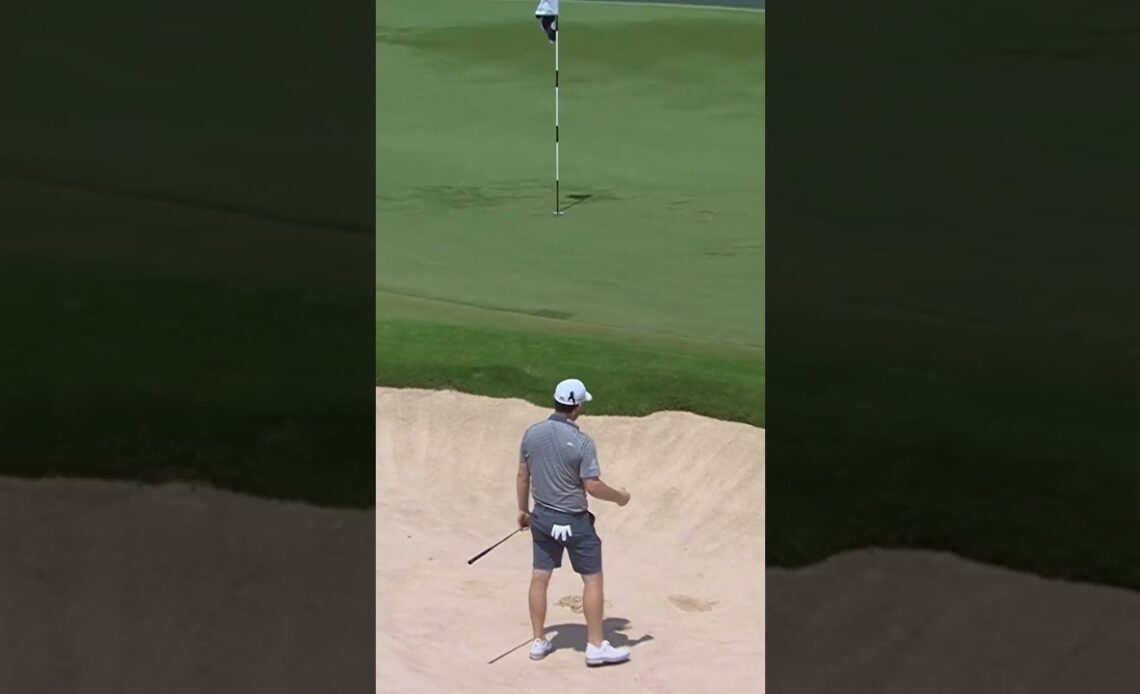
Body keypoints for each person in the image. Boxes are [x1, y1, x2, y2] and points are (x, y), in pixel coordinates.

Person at [516, 378, 633, 667]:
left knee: (540, 577)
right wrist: (619, 497)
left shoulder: (532, 433)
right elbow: (591, 486)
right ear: (577, 406)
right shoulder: (582, 442)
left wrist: (523, 511)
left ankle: (538, 641)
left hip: (542, 517)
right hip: (574, 522)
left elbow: (522, 475)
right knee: (592, 579)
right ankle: (595, 646)